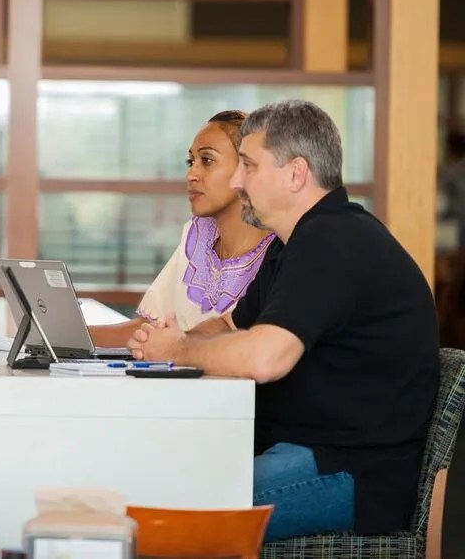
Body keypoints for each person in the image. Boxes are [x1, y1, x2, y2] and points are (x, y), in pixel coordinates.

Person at [127, 99, 439, 541]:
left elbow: (264, 359)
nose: (237, 181)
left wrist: (177, 351)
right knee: (143, 475)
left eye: (248, 166)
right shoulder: (294, 242)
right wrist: (172, 340)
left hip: (347, 470)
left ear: (296, 173)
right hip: (298, 446)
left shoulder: (333, 242)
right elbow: (229, 326)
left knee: (159, 511)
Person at [90, 111, 275, 347]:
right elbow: (150, 331)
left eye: (207, 161)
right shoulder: (196, 235)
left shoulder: (280, 250)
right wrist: (63, 334)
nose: (191, 175)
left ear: (248, 167)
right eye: (191, 162)